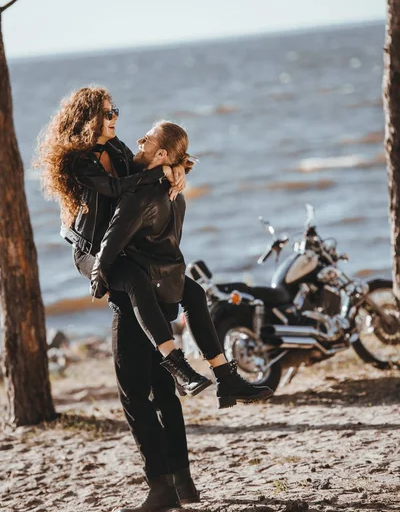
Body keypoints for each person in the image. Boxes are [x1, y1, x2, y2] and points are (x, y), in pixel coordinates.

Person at [34, 87, 199, 512]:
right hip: (93, 255)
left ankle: (174, 486)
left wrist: (179, 169)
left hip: (128, 261)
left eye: (115, 111)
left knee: (145, 391)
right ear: (88, 117)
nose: (115, 119)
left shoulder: (119, 147)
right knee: (149, 386)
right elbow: (116, 187)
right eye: (108, 113)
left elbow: (152, 163)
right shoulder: (80, 159)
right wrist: (162, 175)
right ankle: (174, 482)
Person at [89, 120, 273, 409]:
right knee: (196, 294)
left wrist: (98, 275)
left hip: (150, 273)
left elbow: (111, 241)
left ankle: (196, 372)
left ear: (161, 154)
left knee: (194, 295)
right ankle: (224, 376)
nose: (139, 141)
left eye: (146, 140)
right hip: (169, 269)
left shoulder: (141, 196)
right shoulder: (174, 191)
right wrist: (173, 170)